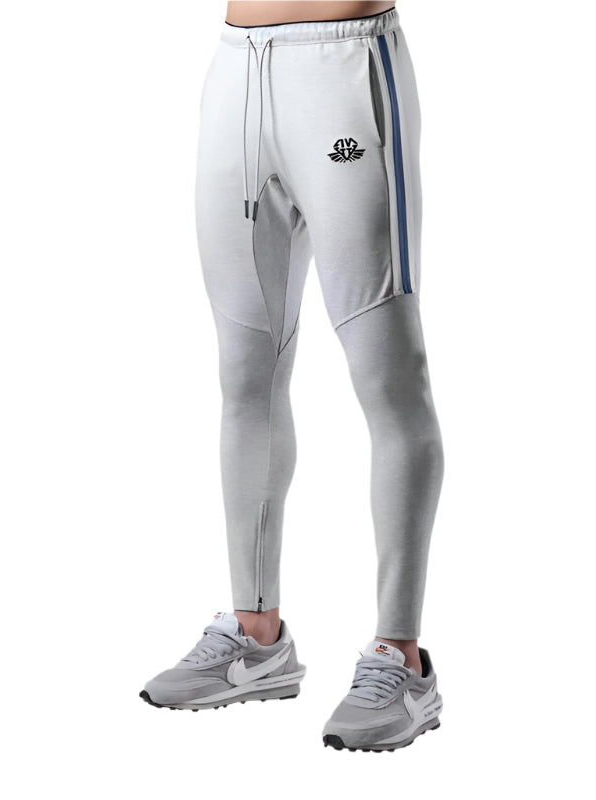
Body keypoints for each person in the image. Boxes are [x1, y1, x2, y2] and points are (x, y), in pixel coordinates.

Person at [140, 0, 444, 752]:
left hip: (345, 68)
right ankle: (255, 634)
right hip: (236, 70)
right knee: (246, 373)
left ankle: (400, 659)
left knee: (387, 373)